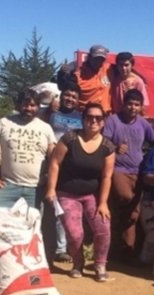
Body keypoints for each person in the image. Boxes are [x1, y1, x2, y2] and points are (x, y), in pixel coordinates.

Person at [45, 103, 116, 282]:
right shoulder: (70, 138)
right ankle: (78, 263)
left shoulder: (108, 146)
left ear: (103, 122)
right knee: (75, 233)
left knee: (103, 228)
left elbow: (107, 177)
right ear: (83, 119)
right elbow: (55, 163)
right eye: (89, 117)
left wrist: (103, 202)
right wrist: (51, 189)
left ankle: (100, 264)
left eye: (98, 118)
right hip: (67, 193)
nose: (93, 121)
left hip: (92, 195)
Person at [103, 89, 154, 260]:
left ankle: (128, 250)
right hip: (118, 169)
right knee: (126, 198)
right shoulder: (113, 121)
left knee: (134, 214)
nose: (133, 108)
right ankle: (115, 247)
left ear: (141, 107)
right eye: (130, 104)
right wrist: (115, 147)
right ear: (124, 104)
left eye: (136, 105)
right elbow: (103, 142)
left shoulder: (143, 123)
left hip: (138, 171)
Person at [0, 89, 56, 209]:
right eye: (25, 104)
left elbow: (53, 156)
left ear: (38, 107)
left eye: (33, 105)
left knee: (32, 222)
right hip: (8, 185)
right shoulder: (4, 123)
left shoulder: (45, 128)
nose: (29, 108)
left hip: (36, 187)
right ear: (18, 105)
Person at [42, 83, 83, 263]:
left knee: (65, 208)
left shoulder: (81, 117)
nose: (70, 99)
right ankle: (51, 247)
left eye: (74, 96)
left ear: (78, 100)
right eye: (67, 95)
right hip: (52, 164)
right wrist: (49, 110)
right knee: (50, 208)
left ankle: (62, 247)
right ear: (61, 96)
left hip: (71, 167)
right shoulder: (51, 113)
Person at [57, 44, 113, 113]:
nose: (99, 61)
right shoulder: (77, 75)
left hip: (105, 115)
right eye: (96, 58)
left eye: (101, 59)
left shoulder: (109, 69)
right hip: (85, 116)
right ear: (89, 57)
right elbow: (63, 88)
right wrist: (61, 74)